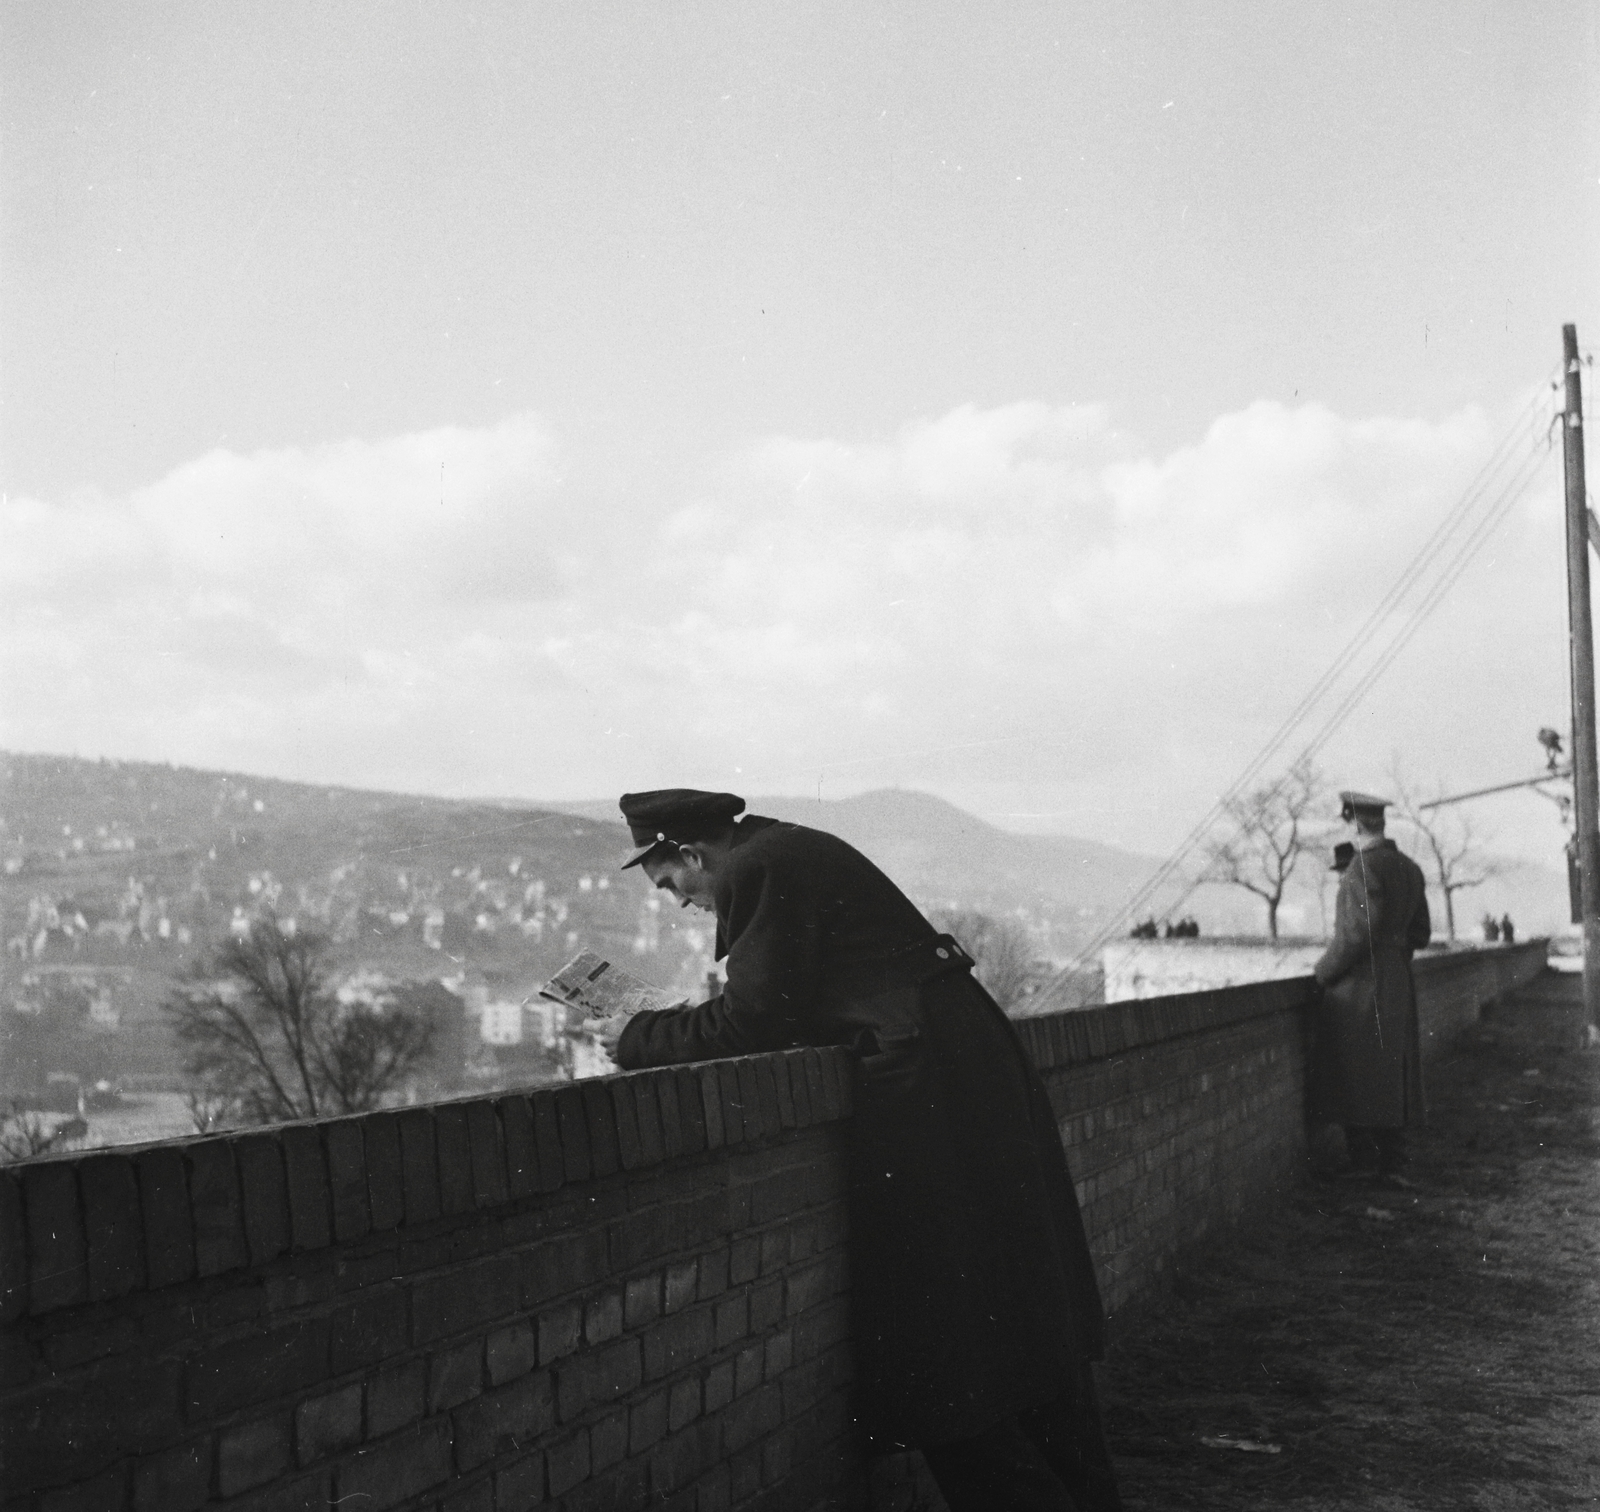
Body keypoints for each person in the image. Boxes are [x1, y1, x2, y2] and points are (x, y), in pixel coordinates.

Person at [601, 789, 1121, 1512]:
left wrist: (634, 1038)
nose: (680, 902)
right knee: (1024, 1310)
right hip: (965, 1061)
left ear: (691, 853)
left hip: (928, 1082)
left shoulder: (758, 867)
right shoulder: (786, 848)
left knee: (938, 1339)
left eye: (672, 883)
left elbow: (752, 1021)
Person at [1312, 791, 1432, 1184]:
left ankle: (1363, 1163)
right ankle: (1392, 1161)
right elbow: (1422, 934)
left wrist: (1323, 972)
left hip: (1361, 984)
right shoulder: (1410, 869)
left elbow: (1355, 934)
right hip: (1397, 978)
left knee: (1356, 1068)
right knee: (1392, 1069)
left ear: (1354, 823)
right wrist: (1395, 957)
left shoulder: (1360, 870)